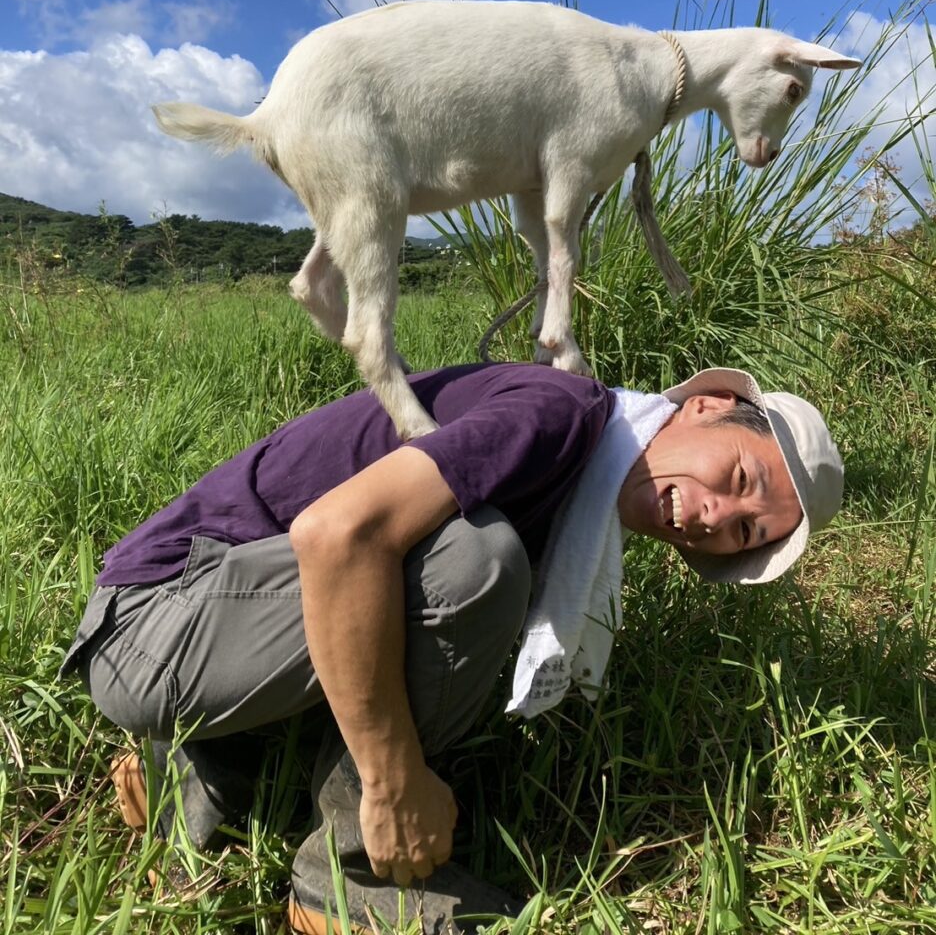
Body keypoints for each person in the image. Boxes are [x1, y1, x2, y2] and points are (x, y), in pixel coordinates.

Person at [60, 360, 843, 933]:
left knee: (465, 565)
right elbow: (337, 536)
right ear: (706, 406)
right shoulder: (560, 414)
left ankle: (200, 772)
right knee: (477, 561)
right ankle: (346, 881)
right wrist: (395, 782)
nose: (715, 516)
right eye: (740, 477)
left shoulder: (582, 480)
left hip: (205, 624)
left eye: (745, 531)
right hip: (149, 628)